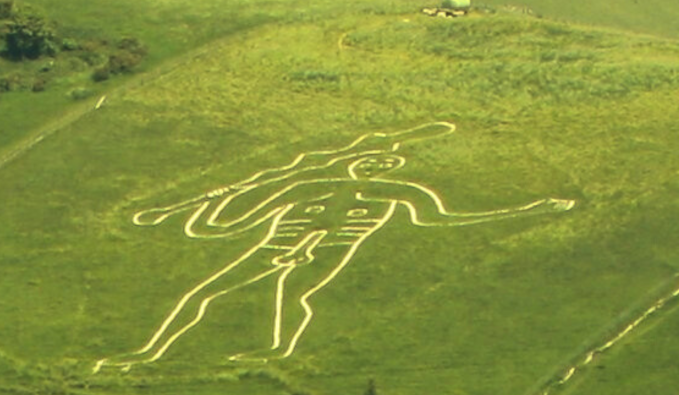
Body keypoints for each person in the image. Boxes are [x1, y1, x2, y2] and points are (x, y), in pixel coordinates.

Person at [95, 139, 575, 372]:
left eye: (385, 163)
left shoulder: (398, 192)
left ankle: (276, 351)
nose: (377, 165)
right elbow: (226, 229)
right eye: (372, 160)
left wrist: (526, 209)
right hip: (274, 246)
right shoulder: (309, 183)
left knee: (294, 294)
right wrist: (216, 199)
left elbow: (441, 221)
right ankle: (148, 352)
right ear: (353, 159)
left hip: (330, 249)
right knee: (205, 294)